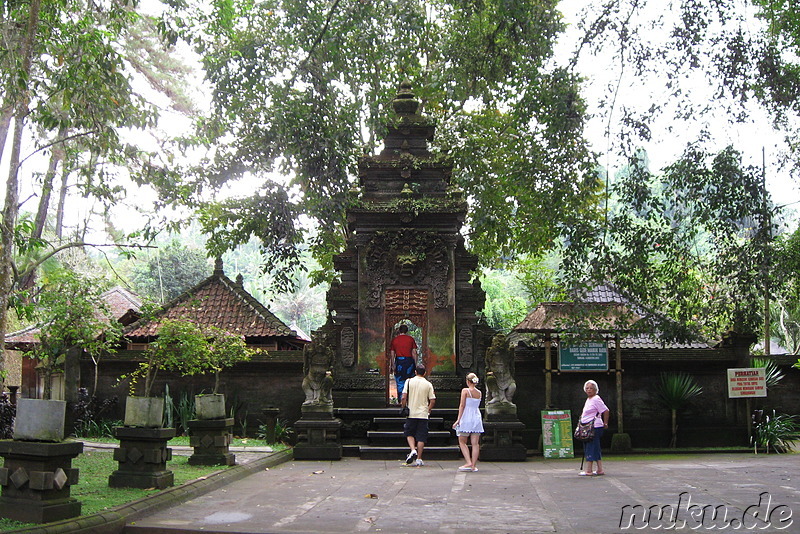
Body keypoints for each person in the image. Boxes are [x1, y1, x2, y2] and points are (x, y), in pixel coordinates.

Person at [400, 365, 435, 467]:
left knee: (409, 433)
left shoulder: (409, 381)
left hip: (411, 412)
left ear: (415, 372)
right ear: (424, 373)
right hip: (423, 414)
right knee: (421, 436)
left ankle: (412, 449)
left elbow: (403, 397)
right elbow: (432, 400)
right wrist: (428, 410)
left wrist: (404, 406)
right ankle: (419, 458)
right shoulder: (428, 384)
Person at [452, 372, 484, 472]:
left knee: (462, 441)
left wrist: (458, 419)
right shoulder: (479, 393)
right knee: (475, 443)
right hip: (476, 416)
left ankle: (468, 461)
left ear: (467, 381)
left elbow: (462, 405)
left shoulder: (465, 391)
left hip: (466, 416)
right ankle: (473, 465)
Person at [579, 379, 609, 476]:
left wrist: (605, 423)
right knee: (595, 447)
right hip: (588, 427)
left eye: (591, 388)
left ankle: (589, 470)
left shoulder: (596, 399)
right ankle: (599, 469)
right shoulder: (589, 399)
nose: (589, 390)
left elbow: (605, 410)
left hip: (594, 427)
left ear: (595, 390)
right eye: (587, 388)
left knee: (590, 447)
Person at [390, 324, 418, 401]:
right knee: (410, 381)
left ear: (399, 330)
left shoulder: (395, 340)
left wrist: (393, 365)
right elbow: (414, 352)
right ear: (407, 331)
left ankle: (401, 400)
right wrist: (415, 365)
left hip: (399, 361)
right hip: (409, 362)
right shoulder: (411, 339)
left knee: (400, 381)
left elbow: (392, 354)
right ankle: (410, 400)